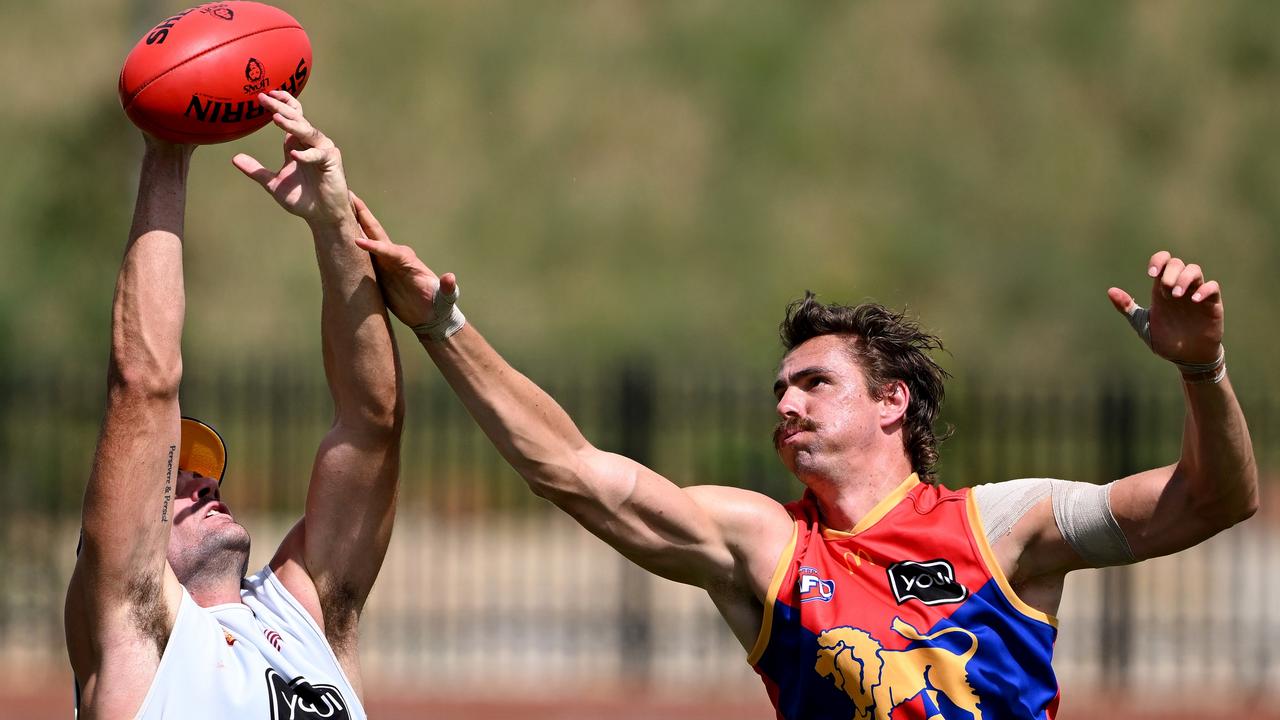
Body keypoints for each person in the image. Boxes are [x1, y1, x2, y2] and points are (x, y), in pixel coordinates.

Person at [355, 219, 1257, 719]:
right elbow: (573, 471)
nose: (785, 403)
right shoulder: (769, 545)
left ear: (891, 402)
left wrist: (1200, 370)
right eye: (780, 388)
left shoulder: (1003, 526)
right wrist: (442, 328)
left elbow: (1215, 500)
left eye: (815, 383)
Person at [64, 90, 403, 719]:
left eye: (199, 473)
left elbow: (371, 425)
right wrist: (168, 152)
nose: (197, 483)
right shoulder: (140, 644)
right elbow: (144, 384)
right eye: (172, 487)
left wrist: (334, 225)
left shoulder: (309, 621)